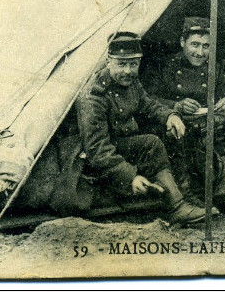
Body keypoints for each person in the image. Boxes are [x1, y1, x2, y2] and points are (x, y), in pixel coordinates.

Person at [75, 32, 206, 226]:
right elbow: (97, 150)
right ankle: (177, 207)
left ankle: (183, 200)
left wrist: (171, 116)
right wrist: (130, 177)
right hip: (99, 160)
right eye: (121, 64)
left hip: (122, 145)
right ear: (108, 61)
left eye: (134, 64)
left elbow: (149, 105)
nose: (128, 71)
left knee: (159, 139)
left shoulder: (131, 82)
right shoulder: (94, 96)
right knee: (151, 143)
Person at [148, 17, 225, 205]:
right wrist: (176, 105)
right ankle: (193, 193)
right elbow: (148, 100)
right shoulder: (165, 67)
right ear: (182, 42)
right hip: (179, 127)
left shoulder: (215, 69)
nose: (200, 52)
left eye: (206, 46)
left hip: (209, 128)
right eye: (195, 44)